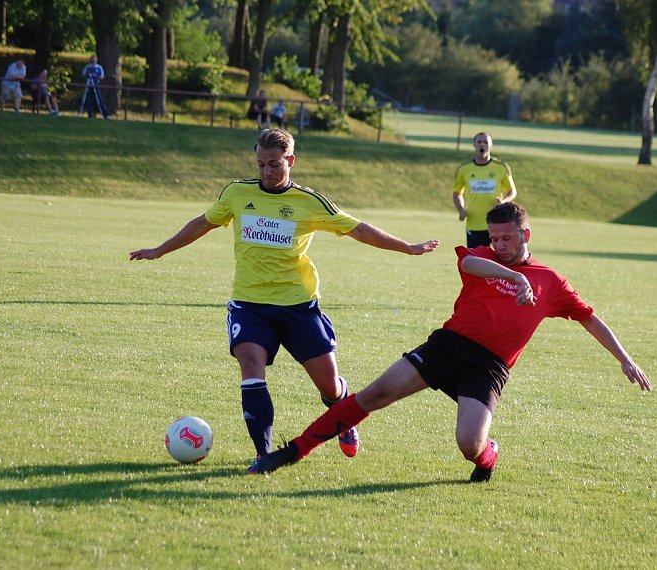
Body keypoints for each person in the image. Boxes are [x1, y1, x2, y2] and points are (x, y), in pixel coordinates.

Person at [248, 202, 651, 481]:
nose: (500, 244)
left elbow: (588, 317)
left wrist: (625, 358)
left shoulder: (552, 281)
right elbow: (467, 262)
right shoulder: (484, 257)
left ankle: (488, 455)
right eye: (495, 237)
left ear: (526, 233)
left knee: (468, 444)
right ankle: (292, 451)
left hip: (488, 367)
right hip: (448, 345)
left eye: (508, 238)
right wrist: (514, 277)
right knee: (374, 394)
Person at [129, 128, 438, 467]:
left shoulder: (309, 202)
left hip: (298, 308)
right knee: (250, 368)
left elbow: (359, 229)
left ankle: (341, 405)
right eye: (261, 164)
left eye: (274, 164)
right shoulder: (236, 193)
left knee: (330, 386)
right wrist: (160, 250)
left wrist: (407, 247)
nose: (267, 172)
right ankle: (263, 453)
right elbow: (202, 223)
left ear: (291, 160)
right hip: (249, 305)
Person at [452, 132, 517, 248]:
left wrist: (504, 202)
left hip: (497, 222)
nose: (482, 145)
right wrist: (461, 210)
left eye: (486, 142)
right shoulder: (464, 169)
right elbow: (456, 193)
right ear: (474, 145)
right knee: (477, 261)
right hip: (474, 223)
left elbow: (512, 191)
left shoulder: (501, 167)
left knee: (502, 258)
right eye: (479, 142)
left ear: (491, 145)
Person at [79, 55, 110, 119]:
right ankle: (90, 114)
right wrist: (88, 75)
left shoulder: (99, 67)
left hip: (96, 85)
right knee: (88, 99)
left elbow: (102, 76)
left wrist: (95, 76)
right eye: (92, 59)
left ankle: (106, 115)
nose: (94, 61)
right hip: (88, 85)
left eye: (95, 59)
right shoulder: (87, 67)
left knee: (99, 99)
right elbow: (83, 74)